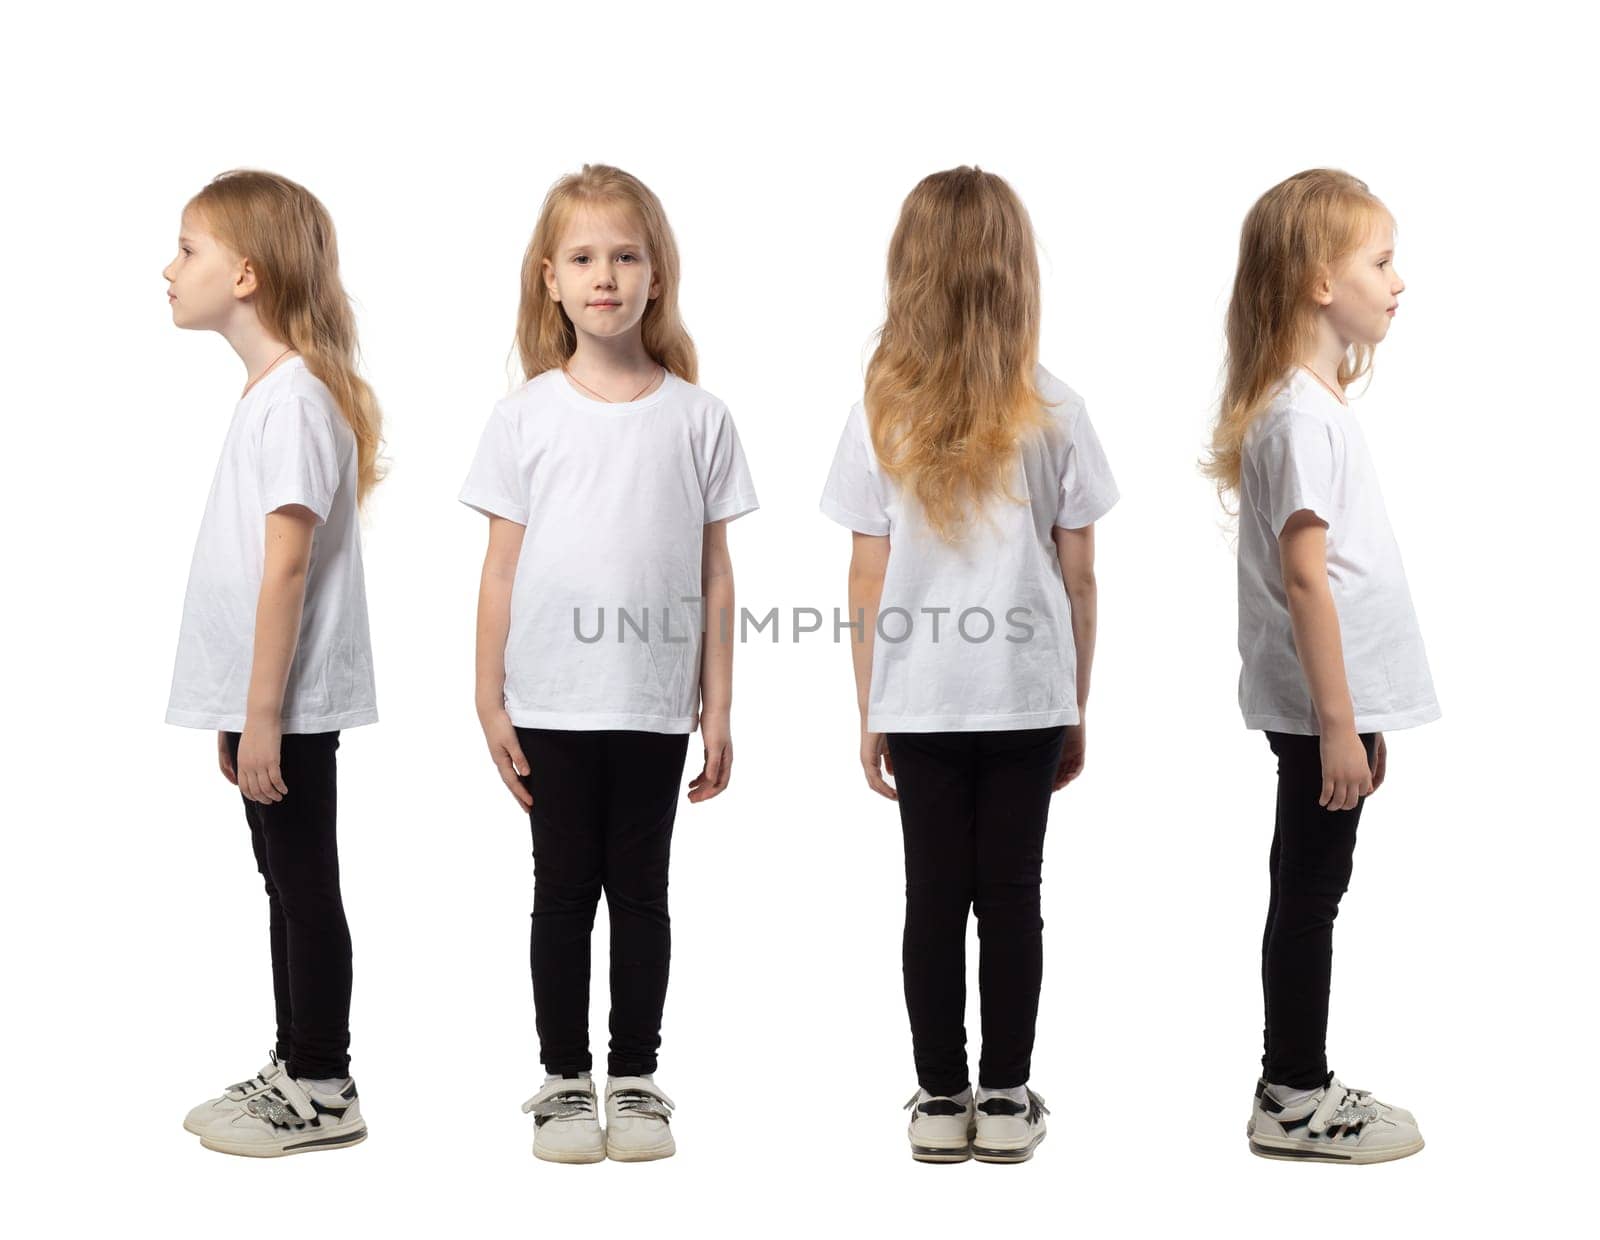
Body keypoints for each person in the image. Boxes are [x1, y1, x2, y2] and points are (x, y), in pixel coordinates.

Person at [461, 164, 758, 1164]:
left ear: (656, 274)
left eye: (625, 255)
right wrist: (485, 696)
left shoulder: (697, 418)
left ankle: (633, 1076)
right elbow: (499, 569)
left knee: (639, 893)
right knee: (559, 893)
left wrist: (718, 709)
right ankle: (560, 1078)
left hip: (648, 702)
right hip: (549, 697)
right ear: (549, 277)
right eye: (583, 257)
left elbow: (715, 576)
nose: (605, 275)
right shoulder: (525, 417)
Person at [819, 166, 1117, 1164]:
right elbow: (1078, 575)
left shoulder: (880, 408)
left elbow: (867, 572)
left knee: (931, 897)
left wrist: (871, 705)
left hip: (923, 698)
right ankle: (1006, 1093)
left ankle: (939, 1097)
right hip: (1025, 691)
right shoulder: (1057, 407)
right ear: (1014, 272)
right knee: (1011, 898)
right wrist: (1074, 703)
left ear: (909, 271)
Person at [1203, 167, 1440, 1164]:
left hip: (1334, 706)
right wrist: (1339, 722)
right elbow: (1306, 582)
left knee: (1309, 885)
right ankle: (1293, 1091)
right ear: (1313, 280)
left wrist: (1362, 713)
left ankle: (1293, 1080)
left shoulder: (1311, 405)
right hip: (1317, 711)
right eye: (1380, 262)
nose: (1400, 282)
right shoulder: (1298, 416)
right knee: (1308, 892)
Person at [164, 169, 383, 1157]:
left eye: (188, 249)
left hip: (287, 706)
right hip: (263, 704)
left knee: (302, 884)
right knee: (281, 885)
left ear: (245, 274)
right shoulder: (271, 395)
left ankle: (324, 1082)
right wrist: (233, 706)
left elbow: (287, 565)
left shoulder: (294, 398)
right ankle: (296, 1064)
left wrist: (262, 715)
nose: (169, 269)